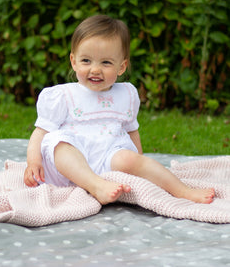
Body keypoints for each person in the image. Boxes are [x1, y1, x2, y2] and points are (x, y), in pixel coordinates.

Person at [24, 15, 215, 205]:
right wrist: (33, 162)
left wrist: (137, 163)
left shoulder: (126, 95)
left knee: (129, 158)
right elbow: (41, 132)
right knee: (59, 144)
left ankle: (182, 190)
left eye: (106, 62)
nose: (95, 69)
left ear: (121, 66)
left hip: (108, 158)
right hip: (69, 168)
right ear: (74, 62)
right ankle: (95, 185)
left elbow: (132, 131)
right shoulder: (62, 95)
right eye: (86, 61)